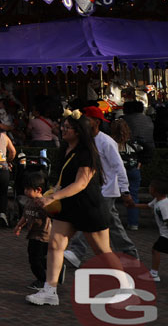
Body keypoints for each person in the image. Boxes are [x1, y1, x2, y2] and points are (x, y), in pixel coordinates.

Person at [27, 115, 116, 306]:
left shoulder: (86, 153)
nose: (63, 129)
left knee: (102, 251)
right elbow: (63, 181)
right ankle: (50, 290)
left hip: (88, 207)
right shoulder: (64, 150)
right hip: (68, 206)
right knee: (55, 245)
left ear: (78, 131)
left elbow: (81, 184)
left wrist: (52, 197)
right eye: (63, 126)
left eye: (68, 127)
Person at [63, 107, 138, 266]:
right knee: (111, 224)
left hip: (106, 190)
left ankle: (77, 251)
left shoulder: (106, 142)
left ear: (96, 122)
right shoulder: (84, 141)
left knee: (90, 219)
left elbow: (119, 167)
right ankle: (129, 255)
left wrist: (125, 190)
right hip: (94, 189)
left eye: (87, 119)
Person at [14, 171, 60, 290]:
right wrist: (19, 225)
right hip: (32, 235)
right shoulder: (29, 201)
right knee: (38, 258)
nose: (25, 192)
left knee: (35, 260)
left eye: (28, 189)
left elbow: (53, 215)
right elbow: (26, 215)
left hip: (43, 236)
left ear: (38, 190)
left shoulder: (44, 202)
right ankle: (57, 270)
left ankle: (42, 280)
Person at [112, 117, 143, 231]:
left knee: (111, 196)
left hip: (117, 171)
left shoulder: (111, 142)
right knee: (133, 197)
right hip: (133, 169)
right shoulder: (134, 142)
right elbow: (146, 149)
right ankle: (133, 223)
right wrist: (140, 162)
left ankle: (111, 223)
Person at [147, 179, 168, 283]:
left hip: (166, 235)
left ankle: (154, 274)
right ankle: (154, 273)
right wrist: (133, 206)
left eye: (150, 187)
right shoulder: (157, 201)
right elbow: (148, 206)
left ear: (155, 191)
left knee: (156, 250)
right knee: (156, 250)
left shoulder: (163, 205)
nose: (148, 189)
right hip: (164, 234)